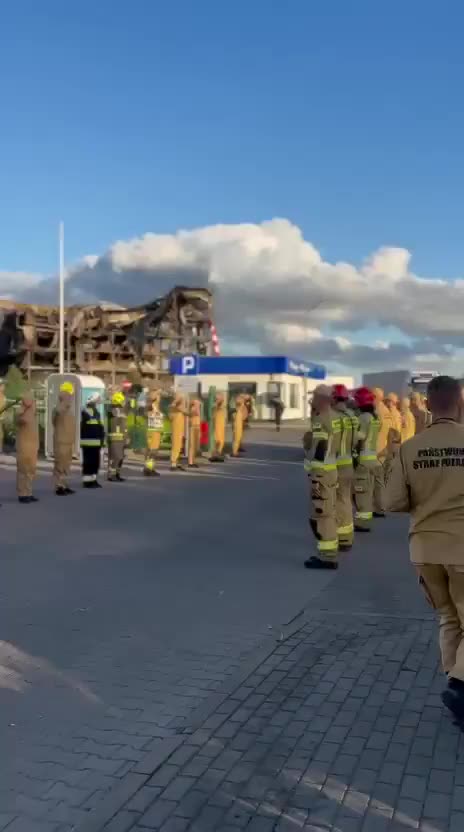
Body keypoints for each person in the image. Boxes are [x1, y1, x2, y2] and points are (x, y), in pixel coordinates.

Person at [385, 375, 464, 720]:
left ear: (428, 406)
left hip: (425, 549)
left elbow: (391, 502)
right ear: (459, 403)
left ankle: (454, 681)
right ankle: (461, 687)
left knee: (448, 616)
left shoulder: (410, 448)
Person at [303, 384, 341, 569]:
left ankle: (327, 556)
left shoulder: (320, 420)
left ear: (321, 399)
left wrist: (315, 474)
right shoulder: (336, 418)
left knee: (321, 513)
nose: (313, 400)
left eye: (315, 397)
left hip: (321, 472)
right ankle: (329, 552)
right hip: (332, 469)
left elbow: (320, 447)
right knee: (329, 512)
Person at [332, 384, 356, 551]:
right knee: (346, 499)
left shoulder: (333, 417)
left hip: (336, 464)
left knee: (336, 502)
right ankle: (347, 536)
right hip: (349, 462)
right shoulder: (352, 416)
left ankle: (339, 537)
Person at [353, 387, 381, 532]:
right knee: (368, 491)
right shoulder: (375, 417)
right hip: (373, 458)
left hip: (363, 459)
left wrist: (351, 431)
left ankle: (362, 523)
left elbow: (362, 436)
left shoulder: (364, 417)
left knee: (361, 492)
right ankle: (365, 519)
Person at [373, 387, 393, 518]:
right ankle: (380, 506)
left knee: (376, 481)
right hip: (384, 448)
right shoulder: (387, 411)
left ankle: (379, 507)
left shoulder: (377, 412)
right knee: (380, 481)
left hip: (375, 450)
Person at [15, 392, 39, 504]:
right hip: (23, 445)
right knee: (23, 470)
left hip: (33, 446)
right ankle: (22, 494)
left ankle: (29, 493)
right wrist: (23, 412)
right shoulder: (20, 411)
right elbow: (19, 421)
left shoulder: (33, 413)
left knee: (31, 470)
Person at [53, 382, 76, 496]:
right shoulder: (59, 407)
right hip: (61, 440)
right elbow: (56, 416)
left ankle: (64, 485)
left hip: (68, 441)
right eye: (69, 396)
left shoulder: (69, 409)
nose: (71, 398)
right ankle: (59, 487)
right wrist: (64, 400)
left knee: (66, 465)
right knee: (60, 464)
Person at [80, 394, 105, 488]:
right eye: (96, 402)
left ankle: (93, 480)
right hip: (88, 442)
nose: (97, 404)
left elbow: (100, 427)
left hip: (95, 442)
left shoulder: (96, 412)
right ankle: (87, 482)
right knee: (89, 463)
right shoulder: (85, 412)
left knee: (94, 462)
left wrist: (101, 440)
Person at [107, 391, 128, 482]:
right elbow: (113, 414)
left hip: (121, 438)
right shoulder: (113, 410)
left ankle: (117, 474)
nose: (124, 402)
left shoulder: (121, 411)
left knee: (120, 458)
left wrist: (127, 437)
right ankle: (111, 475)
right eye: (122, 401)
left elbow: (124, 425)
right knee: (116, 457)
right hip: (116, 438)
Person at [144, 389, 163, 477]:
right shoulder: (151, 405)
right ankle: (149, 469)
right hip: (152, 431)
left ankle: (149, 468)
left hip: (156, 431)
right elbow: (147, 414)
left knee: (153, 452)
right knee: (152, 452)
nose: (159, 397)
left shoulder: (156, 405)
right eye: (158, 395)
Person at [384, 391, 402, 480]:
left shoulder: (393, 414)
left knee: (389, 471)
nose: (386, 403)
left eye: (387, 401)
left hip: (392, 445)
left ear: (391, 402)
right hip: (395, 445)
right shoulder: (396, 413)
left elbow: (394, 432)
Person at [169, 392, 186, 471]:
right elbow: (177, 401)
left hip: (180, 426)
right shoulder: (176, 408)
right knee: (176, 443)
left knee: (179, 444)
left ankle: (177, 462)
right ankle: (173, 463)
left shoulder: (174, 410)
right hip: (177, 427)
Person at [210, 392, 226, 462]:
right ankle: (215, 455)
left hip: (221, 424)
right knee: (217, 440)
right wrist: (217, 402)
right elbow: (214, 410)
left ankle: (218, 454)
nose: (222, 399)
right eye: (220, 398)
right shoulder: (215, 405)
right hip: (217, 425)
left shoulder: (221, 404)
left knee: (221, 440)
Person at [188, 398, 201, 469]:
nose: (198, 404)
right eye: (197, 403)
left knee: (195, 446)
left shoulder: (197, 409)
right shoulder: (193, 409)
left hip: (197, 427)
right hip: (193, 427)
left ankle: (193, 461)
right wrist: (195, 409)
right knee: (192, 445)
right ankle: (190, 462)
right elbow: (193, 415)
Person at [0, 382, 6, 453]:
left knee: (1, 433)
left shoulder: (3, 396)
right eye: (2, 386)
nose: (4, 388)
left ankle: (0, 449)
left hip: (1, 417)